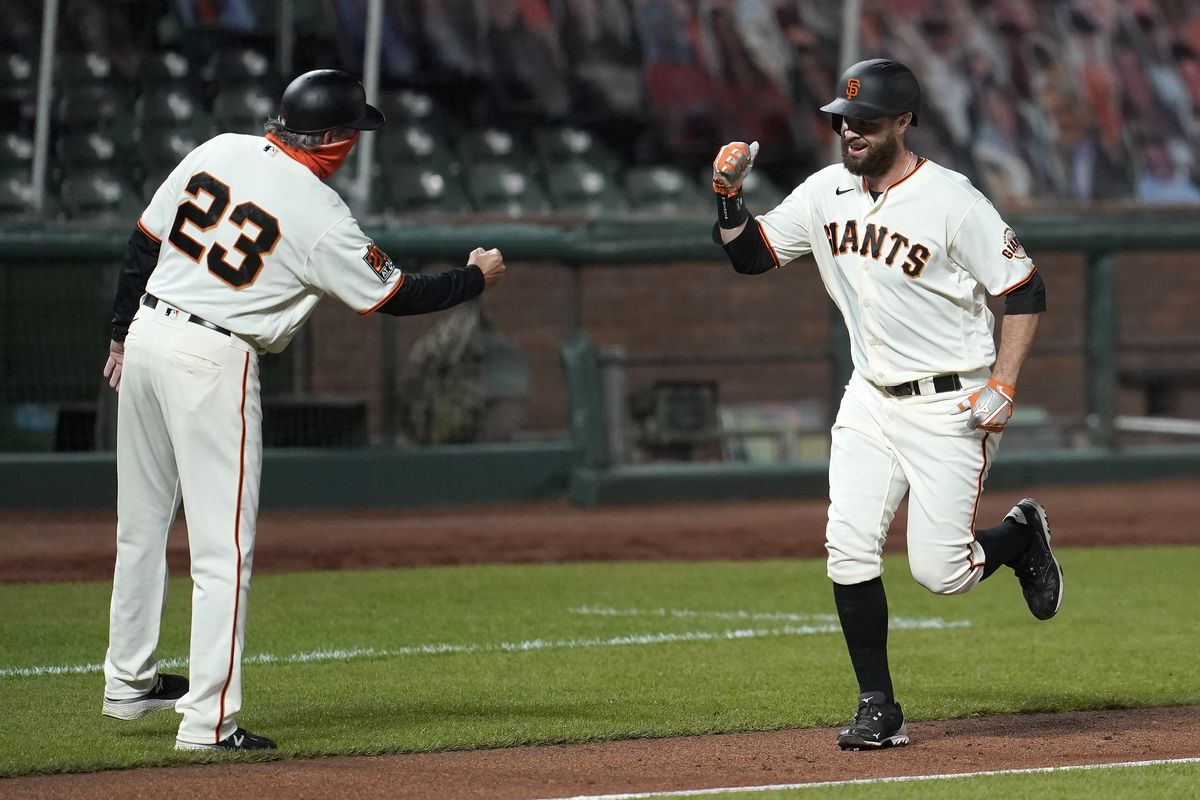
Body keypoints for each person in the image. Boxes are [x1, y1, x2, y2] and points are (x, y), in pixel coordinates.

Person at [99, 69, 507, 751]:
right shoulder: (318, 213)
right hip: (210, 359)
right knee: (224, 550)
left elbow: (144, 240)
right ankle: (208, 722)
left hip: (144, 337)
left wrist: (118, 331)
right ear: (334, 143)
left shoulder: (216, 148)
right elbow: (395, 296)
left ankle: (128, 682)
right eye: (351, 133)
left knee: (140, 527)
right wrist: (475, 279)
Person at [710, 58, 1061, 750]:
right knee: (847, 547)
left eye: (866, 122)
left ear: (904, 121)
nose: (851, 134)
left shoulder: (953, 200)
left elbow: (1023, 289)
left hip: (951, 402)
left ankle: (1020, 537)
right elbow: (753, 256)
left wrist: (1007, 384)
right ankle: (879, 706)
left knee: (942, 573)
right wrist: (728, 198)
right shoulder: (825, 193)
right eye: (843, 123)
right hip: (868, 399)